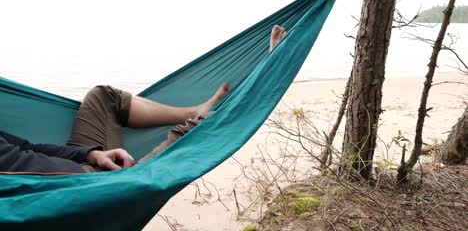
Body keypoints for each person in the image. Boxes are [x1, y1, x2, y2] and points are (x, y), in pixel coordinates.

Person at [0, 25, 288, 174]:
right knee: (157, 164)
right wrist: (89, 180)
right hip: (77, 189)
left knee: (104, 96)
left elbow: (26, 148)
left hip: (79, 167)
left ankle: (194, 110)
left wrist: (90, 153)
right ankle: (215, 109)